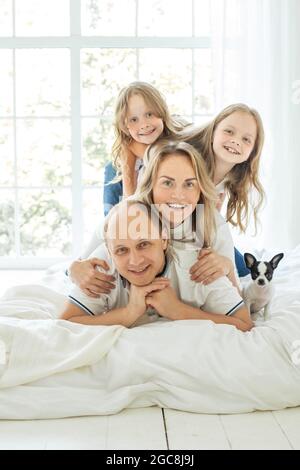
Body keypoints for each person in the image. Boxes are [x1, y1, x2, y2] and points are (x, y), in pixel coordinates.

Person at [68, 142, 240, 296]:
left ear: (200, 189)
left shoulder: (212, 221)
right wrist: (74, 269)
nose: (178, 195)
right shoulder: (127, 214)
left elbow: (238, 298)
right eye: (167, 183)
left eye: (189, 184)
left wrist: (227, 266)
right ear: (151, 184)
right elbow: (81, 264)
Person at [60, 199, 253, 332]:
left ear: (164, 240)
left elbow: (244, 323)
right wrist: (129, 313)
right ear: (109, 252)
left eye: (144, 244)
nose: (135, 261)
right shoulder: (103, 268)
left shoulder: (197, 265)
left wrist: (179, 311)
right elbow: (66, 323)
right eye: (121, 250)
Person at [179, 103, 265, 276]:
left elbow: (211, 225)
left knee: (244, 270)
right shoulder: (186, 163)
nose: (236, 141)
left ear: (252, 151)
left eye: (246, 139)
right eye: (229, 131)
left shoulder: (231, 179)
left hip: (192, 222)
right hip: (130, 188)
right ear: (213, 133)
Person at [103, 81, 185, 216]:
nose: (144, 125)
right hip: (131, 213)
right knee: (112, 169)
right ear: (125, 126)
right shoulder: (123, 156)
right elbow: (127, 202)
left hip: (168, 212)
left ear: (161, 111)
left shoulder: (179, 135)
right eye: (134, 119)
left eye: (149, 114)